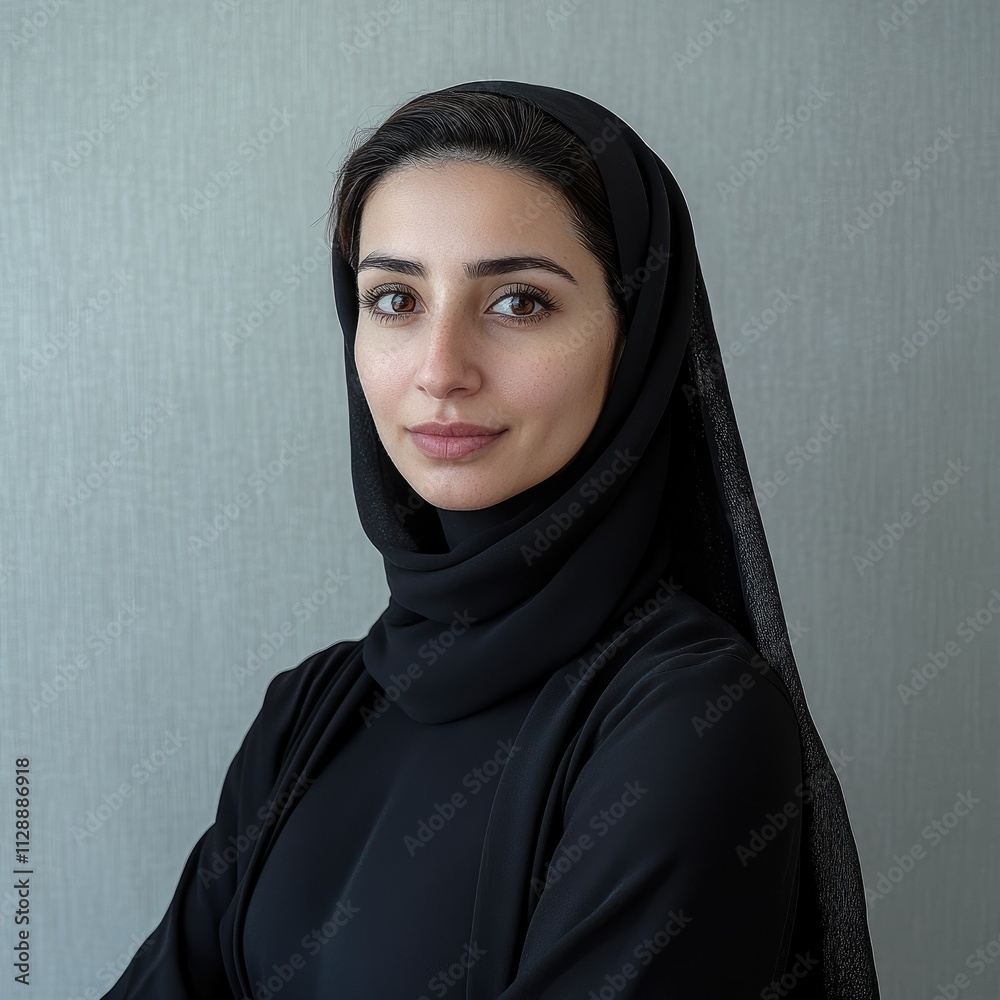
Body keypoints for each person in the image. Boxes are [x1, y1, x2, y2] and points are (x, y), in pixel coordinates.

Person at [101, 80, 881, 998]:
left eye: (518, 302)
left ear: (636, 339)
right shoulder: (307, 714)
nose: (441, 371)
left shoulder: (695, 721)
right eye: (395, 299)